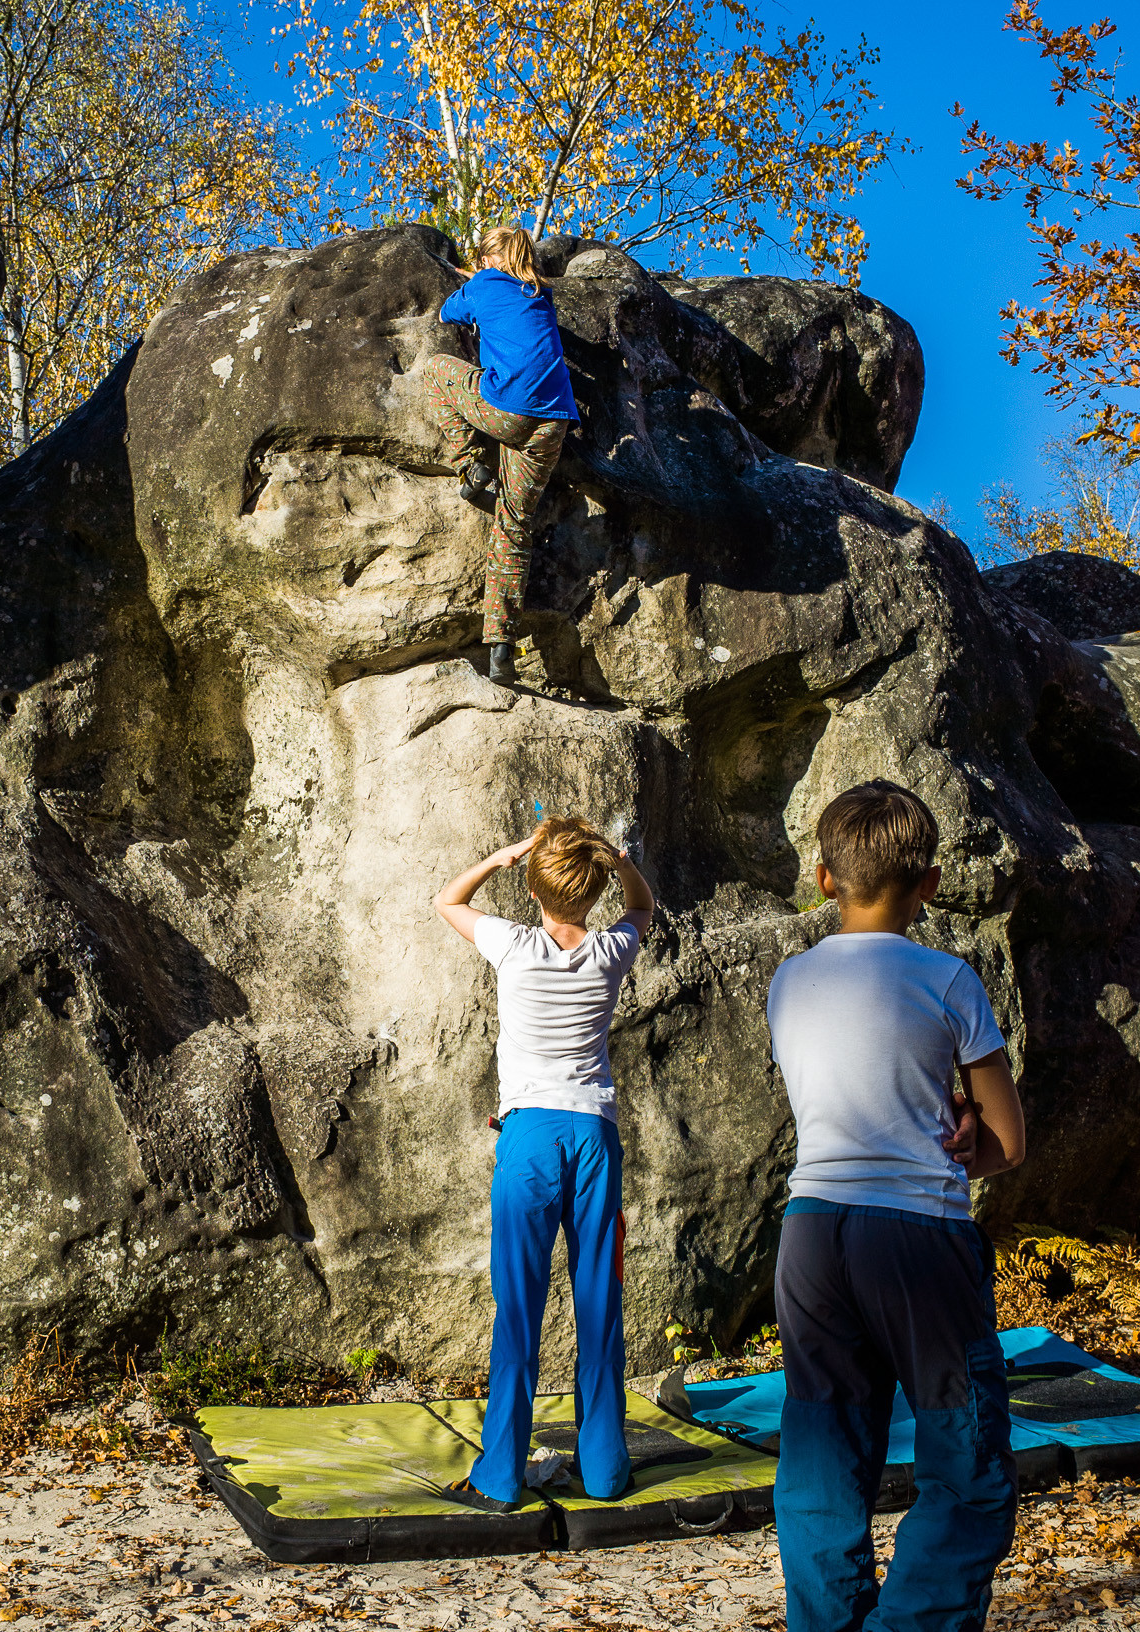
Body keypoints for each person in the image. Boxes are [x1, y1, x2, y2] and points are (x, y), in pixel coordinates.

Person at [766, 780, 1026, 1632]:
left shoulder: (790, 980)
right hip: (917, 1233)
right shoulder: (950, 978)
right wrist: (960, 1124)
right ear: (932, 882)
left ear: (824, 875)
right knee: (967, 1461)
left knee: (823, 1454)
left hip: (811, 1232)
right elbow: (1005, 1144)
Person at [432, 816, 654, 1511]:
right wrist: (619, 862)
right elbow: (643, 907)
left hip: (528, 1139)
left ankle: (499, 1478)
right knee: (599, 1303)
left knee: (519, 1310)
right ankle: (607, 1471)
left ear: (534, 889)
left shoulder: (515, 944)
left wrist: (501, 856)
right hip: (592, 1136)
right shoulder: (611, 949)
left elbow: (448, 901)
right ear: (592, 893)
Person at [426, 224, 579, 686]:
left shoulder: (481, 284)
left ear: (489, 258)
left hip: (506, 409)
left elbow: (445, 315)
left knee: (436, 371)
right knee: (513, 528)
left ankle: (471, 463)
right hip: (553, 421)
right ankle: (501, 651)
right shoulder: (540, 293)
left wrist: (470, 278)